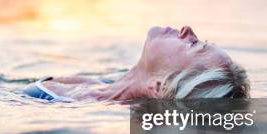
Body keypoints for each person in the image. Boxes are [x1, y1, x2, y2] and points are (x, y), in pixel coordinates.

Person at [24, 26, 250, 102]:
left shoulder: (68, 106)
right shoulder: (103, 82)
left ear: (160, 86)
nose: (187, 30)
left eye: (194, 45)